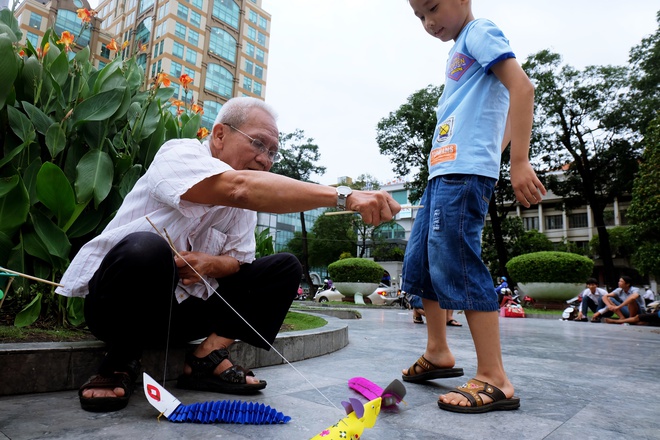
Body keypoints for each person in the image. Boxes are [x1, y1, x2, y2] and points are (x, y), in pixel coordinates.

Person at [55, 97, 400, 412]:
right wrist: (345, 196)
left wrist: (210, 264)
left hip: (182, 315)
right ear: (219, 135)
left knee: (284, 268)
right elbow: (237, 189)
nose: (265, 159)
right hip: (120, 305)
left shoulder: (247, 200)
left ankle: (207, 356)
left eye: (272, 152)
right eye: (258, 144)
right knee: (146, 248)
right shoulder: (179, 155)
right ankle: (121, 357)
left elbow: (239, 260)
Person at [401, 0, 546, 413]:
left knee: (457, 262)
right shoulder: (458, 47)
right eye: (419, 16)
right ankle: (438, 351)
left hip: (461, 175)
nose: (428, 22)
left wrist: (517, 160)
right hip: (441, 172)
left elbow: (523, 87)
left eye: (432, 8)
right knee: (424, 263)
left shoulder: (480, 31)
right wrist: (489, 153)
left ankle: (494, 377)